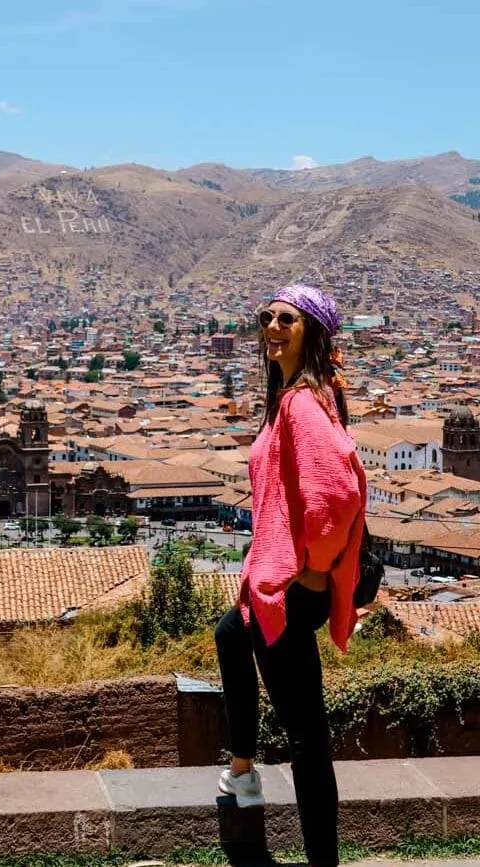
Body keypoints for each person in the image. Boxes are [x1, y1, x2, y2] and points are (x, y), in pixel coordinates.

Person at [214, 284, 366, 867]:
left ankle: (319, 858)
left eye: (286, 318)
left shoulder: (302, 405)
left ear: (313, 332)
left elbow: (338, 494)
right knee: (230, 634)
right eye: (266, 317)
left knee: (307, 739)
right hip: (276, 581)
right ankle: (244, 769)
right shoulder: (296, 396)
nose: (272, 326)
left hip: (290, 588)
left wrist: (310, 569)